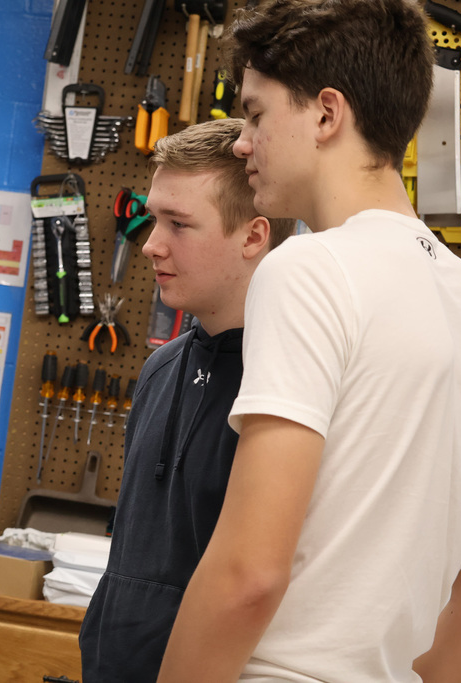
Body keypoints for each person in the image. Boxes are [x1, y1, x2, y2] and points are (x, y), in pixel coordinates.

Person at [157, 1, 461, 681]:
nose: (242, 141)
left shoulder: (308, 271)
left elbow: (249, 572)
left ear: (327, 114)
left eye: (257, 114)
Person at [78, 118, 296, 683]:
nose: (150, 244)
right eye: (154, 219)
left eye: (178, 224)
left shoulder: (288, 386)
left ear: (254, 236)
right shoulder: (160, 368)